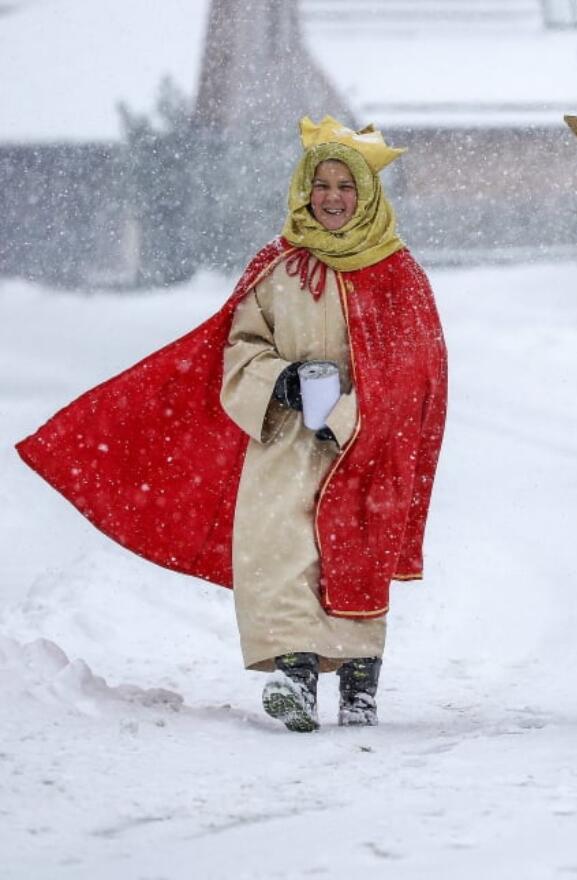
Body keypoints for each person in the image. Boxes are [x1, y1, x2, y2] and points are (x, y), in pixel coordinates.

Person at [16, 116, 448, 732]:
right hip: (283, 440)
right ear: (303, 190)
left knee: (354, 555)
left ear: (367, 195)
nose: (331, 198)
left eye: (344, 187)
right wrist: (285, 381)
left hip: (362, 443)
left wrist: (352, 411)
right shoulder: (278, 265)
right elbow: (240, 345)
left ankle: (359, 682)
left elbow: (417, 370)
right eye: (321, 185)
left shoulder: (397, 273)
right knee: (279, 549)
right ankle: (295, 678)